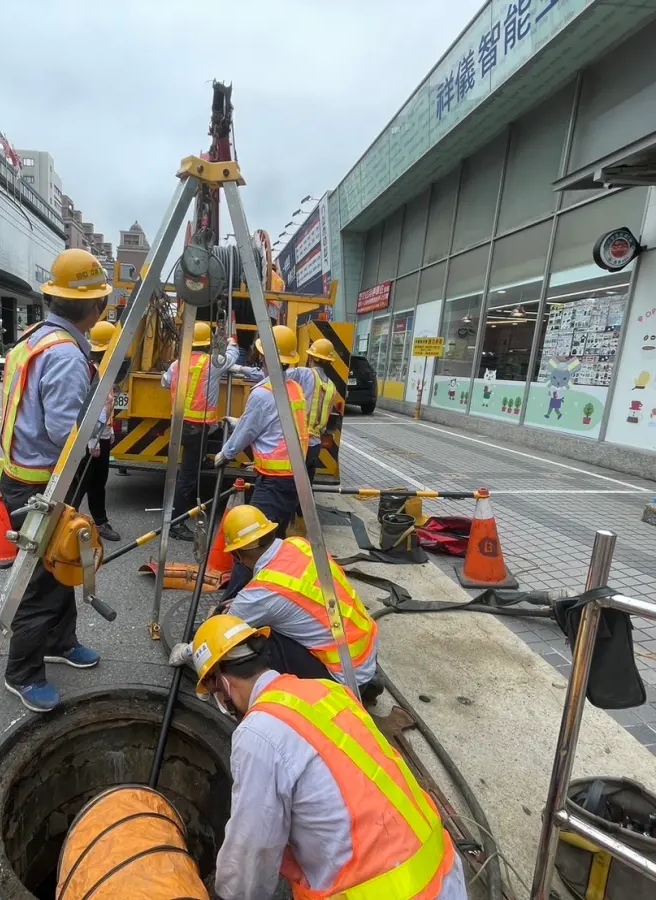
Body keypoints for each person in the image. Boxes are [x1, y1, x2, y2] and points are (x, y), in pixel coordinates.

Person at [190, 615, 469, 900]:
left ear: (222, 684)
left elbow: (251, 855)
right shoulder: (330, 691)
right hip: (445, 875)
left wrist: (225, 894)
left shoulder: (258, 733)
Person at [0, 248, 110, 712]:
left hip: (29, 475)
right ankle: (21, 672)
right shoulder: (64, 355)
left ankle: (60, 642)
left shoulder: (33, 340)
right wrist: (99, 428)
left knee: (62, 562)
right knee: (40, 583)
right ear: (94, 307)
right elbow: (66, 431)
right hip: (40, 484)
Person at [170, 505, 380, 698]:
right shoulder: (300, 544)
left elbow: (220, 636)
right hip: (362, 655)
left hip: (340, 680)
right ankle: (365, 685)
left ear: (238, 555)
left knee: (254, 643)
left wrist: (184, 652)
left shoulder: (262, 591)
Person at [214, 324, 309, 600]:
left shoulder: (262, 394)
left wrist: (227, 453)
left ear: (265, 358)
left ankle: (231, 606)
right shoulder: (293, 389)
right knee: (273, 543)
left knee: (251, 545)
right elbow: (275, 425)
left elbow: (247, 432)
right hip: (293, 481)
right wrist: (240, 422)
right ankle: (266, 593)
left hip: (274, 483)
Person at [160, 321, 240, 542]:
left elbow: (165, 383)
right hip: (198, 427)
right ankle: (175, 522)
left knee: (191, 463)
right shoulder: (211, 364)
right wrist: (231, 342)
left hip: (180, 426)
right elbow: (232, 357)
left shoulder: (177, 364)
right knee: (187, 476)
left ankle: (202, 460)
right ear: (208, 344)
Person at [67, 320, 121, 543]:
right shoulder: (92, 372)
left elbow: (106, 405)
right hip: (91, 438)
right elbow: (89, 408)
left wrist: (108, 431)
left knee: (99, 481)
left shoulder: (104, 371)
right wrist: (92, 440)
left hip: (101, 435)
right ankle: (65, 523)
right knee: (80, 484)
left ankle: (100, 521)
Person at [286, 337, 343, 481]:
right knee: (306, 488)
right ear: (330, 362)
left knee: (290, 488)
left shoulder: (305, 374)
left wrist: (242, 369)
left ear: (311, 357)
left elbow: (275, 377)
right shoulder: (332, 387)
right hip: (315, 445)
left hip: (299, 442)